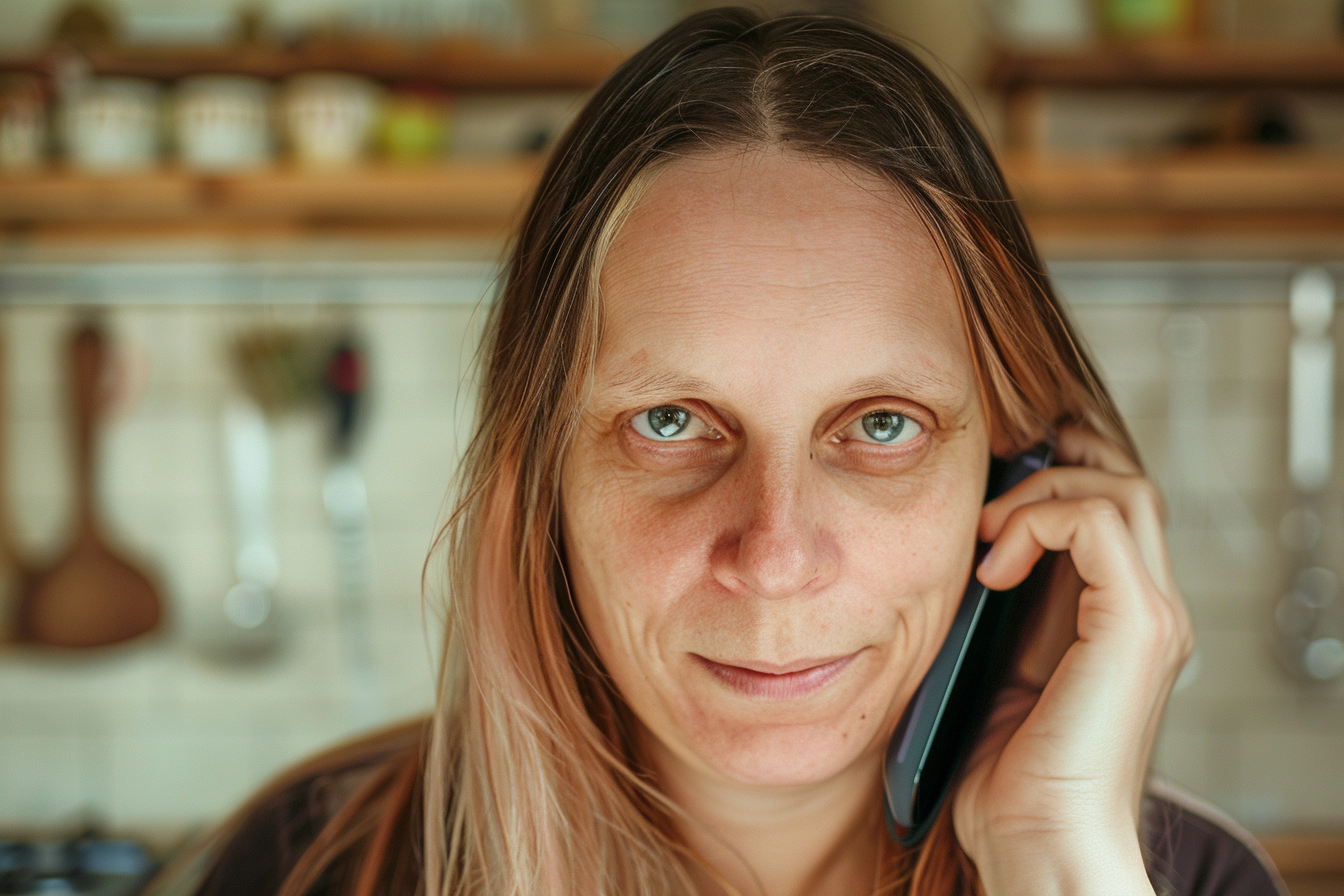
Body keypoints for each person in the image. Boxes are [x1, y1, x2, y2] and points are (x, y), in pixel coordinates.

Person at [167, 8, 1288, 896]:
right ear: (543, 465)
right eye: (670, 421)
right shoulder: (317, 861)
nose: (775, 552)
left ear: (1017, 476)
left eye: (882, 424)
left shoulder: (1172, 880)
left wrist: (1057, 864)